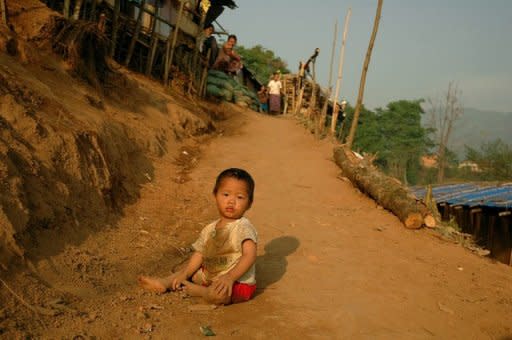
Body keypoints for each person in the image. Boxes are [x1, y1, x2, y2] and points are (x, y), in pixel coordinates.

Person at [138, 168, 258, 305]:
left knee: (219, 295)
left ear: (249, 203)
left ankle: (201, 292)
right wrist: (186, 274)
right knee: (189, 270)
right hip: (212, 277)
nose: (231, 201)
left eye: (240, 197)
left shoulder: (243, 227)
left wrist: (229, 277)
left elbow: (250, 255)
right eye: (226, 195)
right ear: (215, 195)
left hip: (236, 283)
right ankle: (165, 282)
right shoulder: (210, 229)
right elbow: (200, 254)